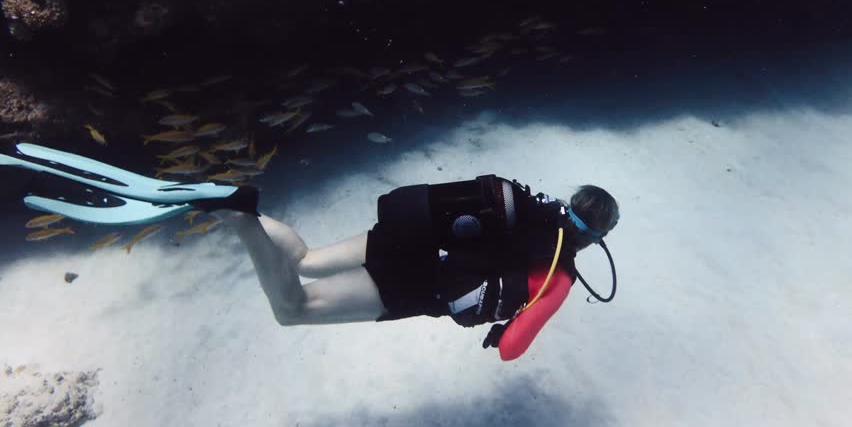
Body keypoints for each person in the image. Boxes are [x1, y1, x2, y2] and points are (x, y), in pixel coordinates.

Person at [1, 144, 620, 361]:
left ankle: (241, 205)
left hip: (407, 231)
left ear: (570, 199)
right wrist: (507, 324)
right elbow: (511, 349)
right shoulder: (560, 277)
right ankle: (238, 211)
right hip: (414, 283)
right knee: (291, 308)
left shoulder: (520, 202)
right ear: (597, 237)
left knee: (305, 259)